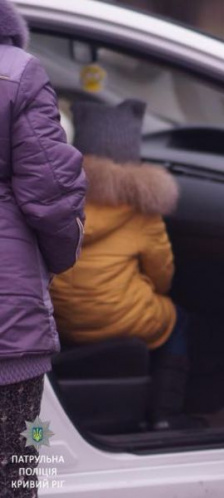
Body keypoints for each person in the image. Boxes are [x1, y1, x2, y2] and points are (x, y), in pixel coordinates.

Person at [48, 99, 194, 430]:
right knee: (177, 320)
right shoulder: (141, 210)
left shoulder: (55, 199)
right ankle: (165, 415)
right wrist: (150, 291)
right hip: (123, 320)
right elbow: (162, 274)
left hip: (60, 320)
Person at [0, 0, 87, 493]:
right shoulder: (16, 72)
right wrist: (58, 259)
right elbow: (52, 195)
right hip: (7, 330)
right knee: (16, 466)